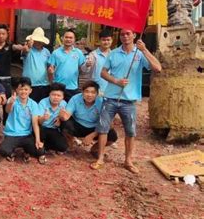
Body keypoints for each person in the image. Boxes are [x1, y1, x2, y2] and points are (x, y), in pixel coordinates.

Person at [91, 29, 162, 173]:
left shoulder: (140, 53)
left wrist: (145, 50)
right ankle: (100, 158)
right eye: (122, 34)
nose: (125, 36)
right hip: (110, 98)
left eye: (128, 34)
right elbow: (103, 72)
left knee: (130, 132)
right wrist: (116, 81)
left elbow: (157, 68)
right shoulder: (114, 53)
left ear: (134, 36)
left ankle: (128, 160)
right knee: (103, 129)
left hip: (129, 101)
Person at [59, 81, 118, 154]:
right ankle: (70, 144)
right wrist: (62, 116)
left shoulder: (102, 102)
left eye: (93, 92)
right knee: (65, 124)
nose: (89, 95)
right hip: (78, 125)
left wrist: (92, 135)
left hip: (95, 128)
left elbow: (109, 124)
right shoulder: (75, 98)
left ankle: (95, 149)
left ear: (97, 93)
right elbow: (66, 115)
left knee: (112, 136)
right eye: (86, 92)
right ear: (82, 92)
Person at [0, 77, 46, 164]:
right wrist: (11, 103)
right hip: (12, 134)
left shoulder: (33, 104)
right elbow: (7, 110)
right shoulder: (12, 100)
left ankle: (26, 151)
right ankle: (12, 153)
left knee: (40, 151)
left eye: (26, 89)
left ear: (30, 91)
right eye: (21, 89)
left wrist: (37, 140)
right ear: (16, 90)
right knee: (3, 150)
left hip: (26, 135)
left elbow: (35, 123)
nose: (23, 92)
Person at [48, 29, 86, 101]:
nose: (68, 39)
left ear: (74, 39)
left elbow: (82, 68)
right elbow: (50, 69)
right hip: (58, 87)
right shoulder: (56, 53)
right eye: (66, 37)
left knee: (71, 110)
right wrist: (51, 83)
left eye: (71, 38)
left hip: (73, 87)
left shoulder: (78, 53)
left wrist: (87, 65)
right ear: (62, 38)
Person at [21, 27, 51, 103]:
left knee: (42, 106)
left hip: (44, 84)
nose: (38, 42)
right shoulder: (28, 49)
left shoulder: (47, 52)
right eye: (36, 40)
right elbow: (24, 53)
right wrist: (27, 48)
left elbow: (49, 66)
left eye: (40, 41)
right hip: (29, 85)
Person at [37, 82, 68, 153]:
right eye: (53, 95)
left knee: (63, 147)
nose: (56, 97)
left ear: (62, 97)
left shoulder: (64, 104)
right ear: (49, 95)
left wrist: (60, 119)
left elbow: (65, 118)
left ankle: (46, 145)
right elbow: (38, 121)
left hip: (54, 129)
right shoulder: (43, 102)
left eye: (58, 95)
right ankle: (42, 144)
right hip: (42, 128)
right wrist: (44, 118)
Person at [81, 29, 113, 93]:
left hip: (110, 89)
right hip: (96, 89)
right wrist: (87, 65)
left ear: (112, 40)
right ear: (99, 40)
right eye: (103, 40)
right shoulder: (93, 54)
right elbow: (84, 70)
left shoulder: (114, 55)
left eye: (108, 40)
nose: (106, 42)